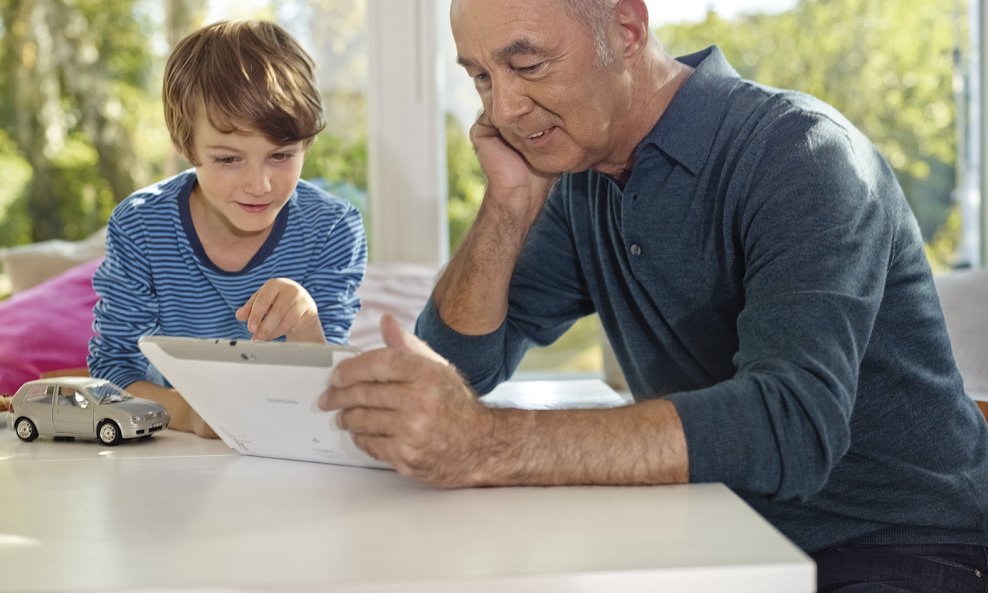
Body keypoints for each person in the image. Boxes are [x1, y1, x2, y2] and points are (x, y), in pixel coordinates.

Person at [320, 0, 988, 590]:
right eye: (482, 77)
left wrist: (487, 442)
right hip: (720, 532)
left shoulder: (804, 156)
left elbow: (791, 426)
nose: (503, 110)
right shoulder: (582, 177)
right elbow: (456, 366)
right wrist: (507, 204)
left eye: (528, 65)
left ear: (628, 27)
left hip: (901, 548)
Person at [89, 20, 367, 438]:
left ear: (306, 144)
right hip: (176, 449)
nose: (260, 185)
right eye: (227, 159)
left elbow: (325, 393)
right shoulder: (141, 226)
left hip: (289, 446)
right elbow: (113, 368)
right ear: (186, 147)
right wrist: (192, 415)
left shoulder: (332, 229)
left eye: (280, 155)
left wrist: (304, 322)